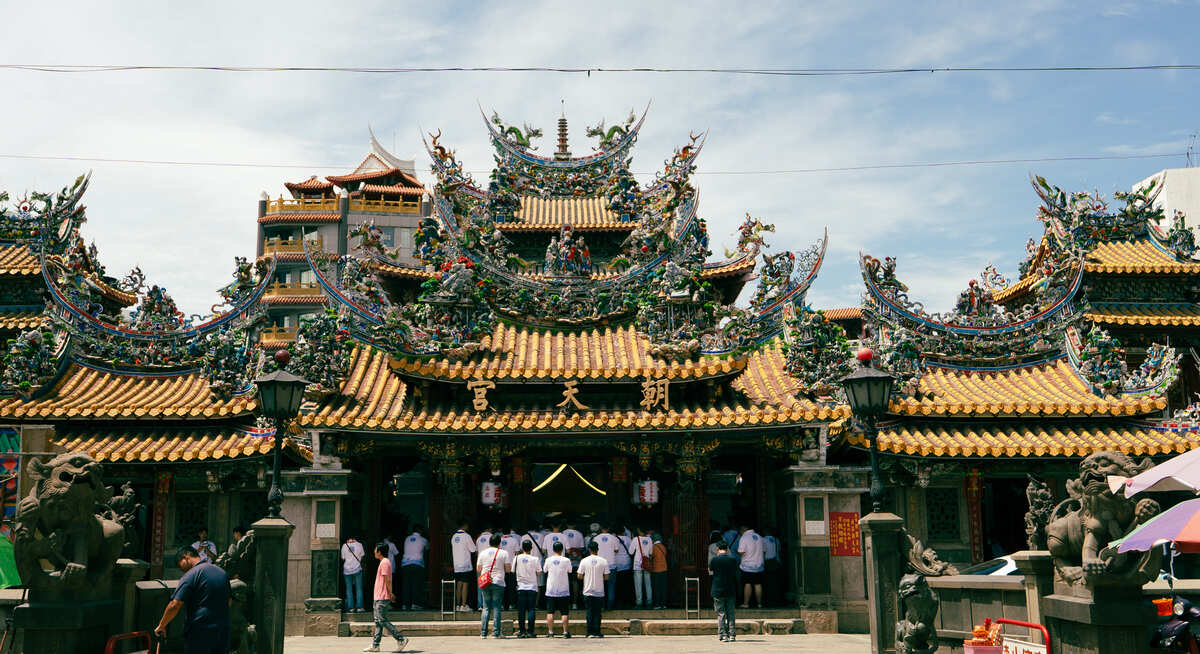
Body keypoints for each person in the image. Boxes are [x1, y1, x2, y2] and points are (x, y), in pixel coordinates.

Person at [155, 546, 232, 654]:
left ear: (185, 557)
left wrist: (162, 625)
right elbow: (229, 602)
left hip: (200, 632)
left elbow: (174, 605)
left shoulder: (192, 574)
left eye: (179, 564)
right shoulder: (221, 572)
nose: (181, 570)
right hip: (223, 630)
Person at [364, 542, 408, 653]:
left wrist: (390, 593)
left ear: (379, 552)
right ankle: (375, 645)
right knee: (378, 622)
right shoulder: (383, 562)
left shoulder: (385, 562)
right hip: (378, 595)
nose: (374, 552)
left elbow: (387, 580)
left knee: (382, 620)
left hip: (382, 596)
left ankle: (401, 639)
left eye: (375, 550)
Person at [476, 532, 511, 638]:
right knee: (496, 607)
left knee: (486, 607)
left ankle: (483, 633)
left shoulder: (483, 553)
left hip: (485, 582)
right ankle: (496, 632)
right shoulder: (504, 553)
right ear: (499, 543)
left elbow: (478, 568)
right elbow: (508, 569)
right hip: (498, 581)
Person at [577, 541, 610, 638]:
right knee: (598, 612)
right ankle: (597, 632)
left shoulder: (584, 561)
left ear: (589, 549)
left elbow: (579, 576)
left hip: (588, 590)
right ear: (598, 549)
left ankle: (589, 632)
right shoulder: (603, 561)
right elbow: (607, 577)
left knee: (589, 612)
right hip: (599, 590)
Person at [709, 541, 740, 642]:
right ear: (727, 549)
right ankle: (732, 634)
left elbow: (710, 570)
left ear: (718, 549)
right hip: (730, 589)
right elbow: (736, 572)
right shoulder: (732, 560)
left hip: (718, 589)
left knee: (721, 613)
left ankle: (723, 635)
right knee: (731, 613)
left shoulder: (715, 560)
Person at [542, 542, 573, 638]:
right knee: (564, 612)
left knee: (550, 612)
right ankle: (565, 632)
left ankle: (550, 632)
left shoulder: (548, 560)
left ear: (553, 549)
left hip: (551, 589)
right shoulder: (566, 560)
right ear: (562, 549)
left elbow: (545, 570)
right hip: (563, 589)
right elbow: (570, 571)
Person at [513, 539, 541, 638]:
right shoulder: (535, 559)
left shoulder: (517, 558)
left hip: (521, 586)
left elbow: (513, 570)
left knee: (521, 610)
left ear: (522, 548)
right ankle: (530, 631)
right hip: (532, 587)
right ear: (531, 548)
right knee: (531, 609)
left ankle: (521, 631)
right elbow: (538, 573)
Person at [591, 525, 621, 609]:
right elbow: (617, 550)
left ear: (601, 528)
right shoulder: (614, 538)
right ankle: (610, 606)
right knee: (611, 586)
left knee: (600, 586)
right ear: (609, 528)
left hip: (599, 564)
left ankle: (601, 606)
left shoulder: (596, 538)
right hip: (611, 564)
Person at [450, 522, 477, 611]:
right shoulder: (467, 536)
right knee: (465, 584)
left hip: (456, 564)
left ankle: (457, 605)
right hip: (465, 564)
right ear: (465, 525)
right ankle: (464, 605)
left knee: (458, 584)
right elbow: (473, 549)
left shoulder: (454, 537)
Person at [400, 526, 428, 610]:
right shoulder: (423, 540)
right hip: (417, 564)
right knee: (416, 584)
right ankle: (415, 603)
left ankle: (405, 604)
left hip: (405, 564)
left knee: (406, 585)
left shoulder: (407, 539)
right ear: (420, 530)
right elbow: (428, 549)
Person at [737, 524, 765, 609]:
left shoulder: (744, 537)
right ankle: (759, 604)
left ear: (742, 529)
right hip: (759, 564)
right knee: (758, 584)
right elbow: (764, 552)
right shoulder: (760, 537)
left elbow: (741, 551)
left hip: (747, 565)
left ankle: (746, 603)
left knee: (747, 583)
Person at [342, 536, 366, 613]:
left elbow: (343, 558)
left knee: (349, 589)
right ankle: (359, 607)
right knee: (359, 588)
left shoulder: (344, 545)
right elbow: (362, 555)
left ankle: (350, 607)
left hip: (347, 569)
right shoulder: (360, 545)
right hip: (357, 568)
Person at [563, 522, 585, 607]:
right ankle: (574, 603)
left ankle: (566, 603)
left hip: (565, 562)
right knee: (575, 582)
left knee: (565, 582)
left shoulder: (563, 533)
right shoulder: (579, 534)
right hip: (576, 562)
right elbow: (582, 548)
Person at [611, 525, 633, 609]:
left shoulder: (613, 539)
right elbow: (631, 551)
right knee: (626, 584)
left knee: (617, 584)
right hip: (626, 562)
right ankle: (627, 601)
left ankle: (618, 601)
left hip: (616, 562)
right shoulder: (628, 539)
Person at [631, 527, 654, 607]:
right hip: (646, 564)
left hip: (637, 564)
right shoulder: (650, 539)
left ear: (639, 530)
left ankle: (639, 602)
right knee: (648, 584)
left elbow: (630, 552)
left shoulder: (635, 539)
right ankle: (649, 602)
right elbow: (651, 553)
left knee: (638, 585)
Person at [500, 528, 521, 610]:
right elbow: (517, 553)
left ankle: (502, 604)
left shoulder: (499, 540)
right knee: (511, 587)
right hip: (512, 567)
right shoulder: (514, 540)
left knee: (502, 586)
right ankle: (511, 604)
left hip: (501, 567)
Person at [649, 533, 669, 609]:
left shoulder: (653, 547)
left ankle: (657, 604)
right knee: (663, 587)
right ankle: (663, 604)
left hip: (656, 569)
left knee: (656, 587)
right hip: (664, 568)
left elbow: (651, 557)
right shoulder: (663, 547)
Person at [763, 527, 782, 607]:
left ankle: (768, 599)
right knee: (775, 581)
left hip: (767, 562)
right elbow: (779, 550)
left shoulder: (763, 540)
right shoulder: (776, 539)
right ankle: (776, 598)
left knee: (767, 581)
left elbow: (763, 552)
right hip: (776, 562)